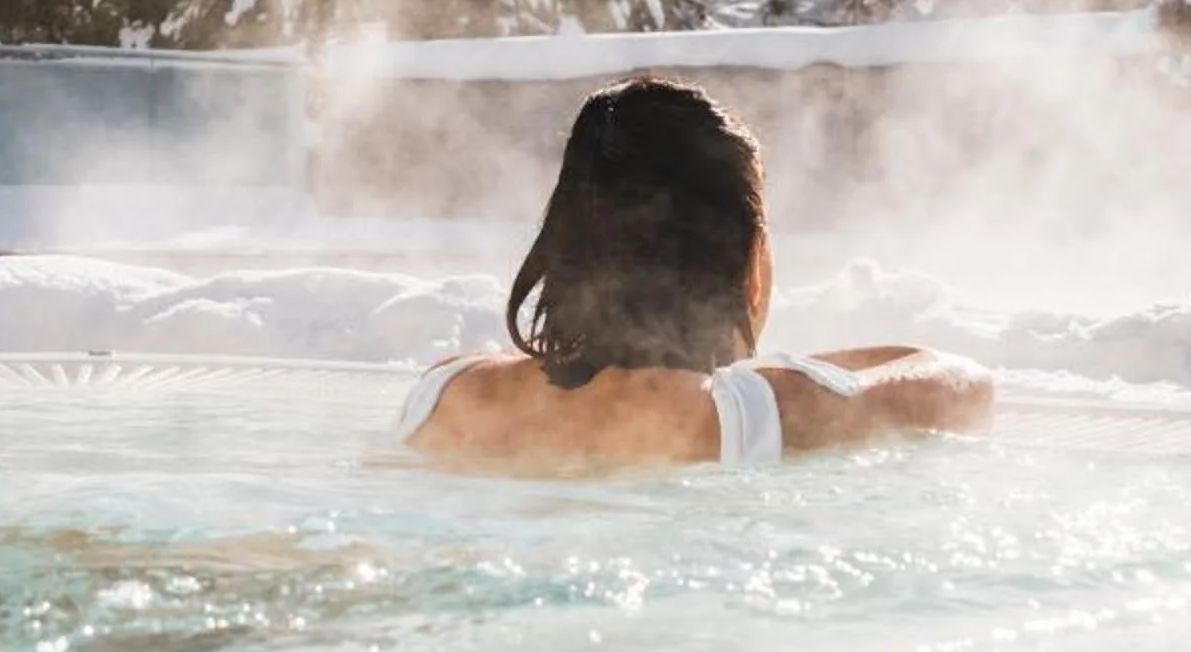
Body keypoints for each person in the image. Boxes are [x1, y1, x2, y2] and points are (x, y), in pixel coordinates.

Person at [398, 76, 993, 469]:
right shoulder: (754, 410)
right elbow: (964, 383)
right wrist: (793, 373)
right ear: (741, 258)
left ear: (565, 244)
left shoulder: (449, 390)